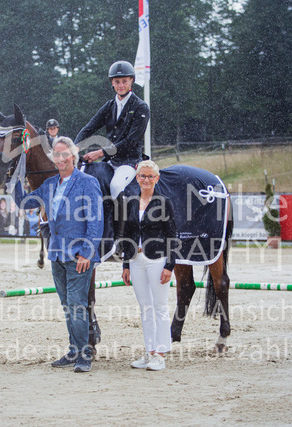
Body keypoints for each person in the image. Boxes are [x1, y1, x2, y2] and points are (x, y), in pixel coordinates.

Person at [13, 137, 103, 373]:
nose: (60, 158)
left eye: (64, 154)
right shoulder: (50, 184)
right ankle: (74, 350)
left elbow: (95, 220)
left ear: (73, 156)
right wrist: (15, 179)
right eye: (56, 154)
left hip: (79, 256)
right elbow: (24, 202)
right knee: (67, 305)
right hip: (56, 254)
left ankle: (84, 354)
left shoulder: (88, 182)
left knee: (77, 305)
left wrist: (87, 253)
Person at [74, 60, 150, 244]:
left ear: (131, 81)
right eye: (117, 82)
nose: (121, 85)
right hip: (110, 162)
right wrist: (75, 147)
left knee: (116, 186)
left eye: (124, 81)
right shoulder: (109, 106)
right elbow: (90, 127)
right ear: (112, 83)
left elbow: (131, 142)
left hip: (129, 161)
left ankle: (120, 237)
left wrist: (100, 153)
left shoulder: (140, 107)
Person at [120, 160, 176, 371]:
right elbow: (127, 234)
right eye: (142, 176)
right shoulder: (131, 202)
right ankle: (149, 350)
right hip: (136, 259)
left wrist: (169, 265)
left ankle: (161, 353)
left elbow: (172, 235)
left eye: (150, 176)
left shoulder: (164, 202)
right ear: (137, 178)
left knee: (160, 306)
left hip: (157, 260)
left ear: (156, 178)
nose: (146, 179)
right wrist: (126, 264)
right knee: (145, 308)